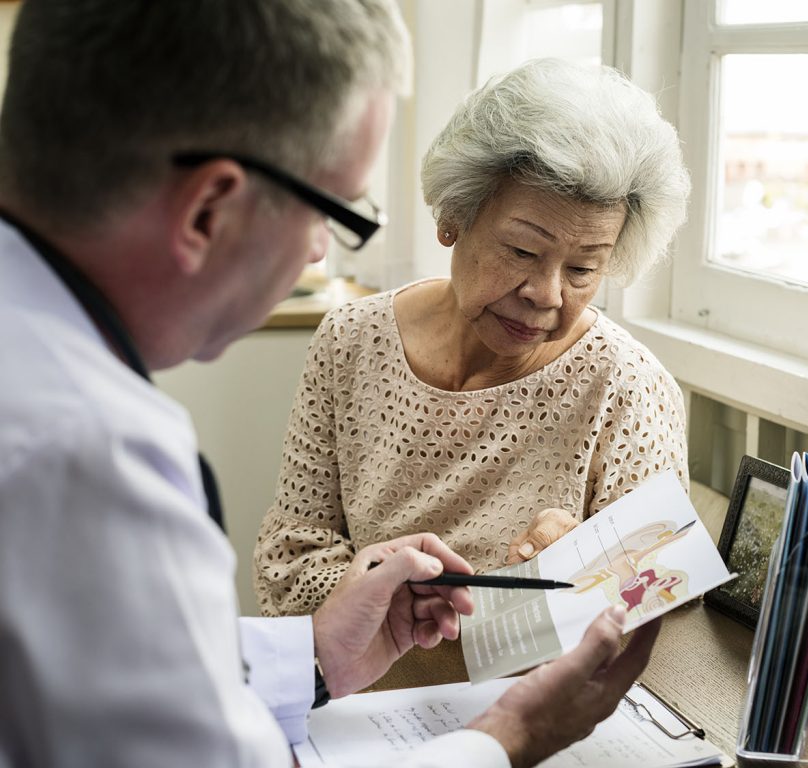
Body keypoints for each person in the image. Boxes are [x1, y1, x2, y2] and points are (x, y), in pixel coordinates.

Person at [0, 2, 660, 767]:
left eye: (582, 268)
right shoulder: (85, 454)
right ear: (209, 208)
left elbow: (108, 680)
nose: (320, 250)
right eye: (331, 210)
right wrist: (513, 737)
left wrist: (314, 656)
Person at [254, 57, 692, 618]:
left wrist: (589, 569)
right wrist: (403, 597)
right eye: (522, 251)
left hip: (529, 694)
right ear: (453, 218)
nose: (547, 293)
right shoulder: (351, 339)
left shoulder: (628, 386)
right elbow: (290, 559)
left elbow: (660, 606)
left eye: (583, 269)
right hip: (357, 675)